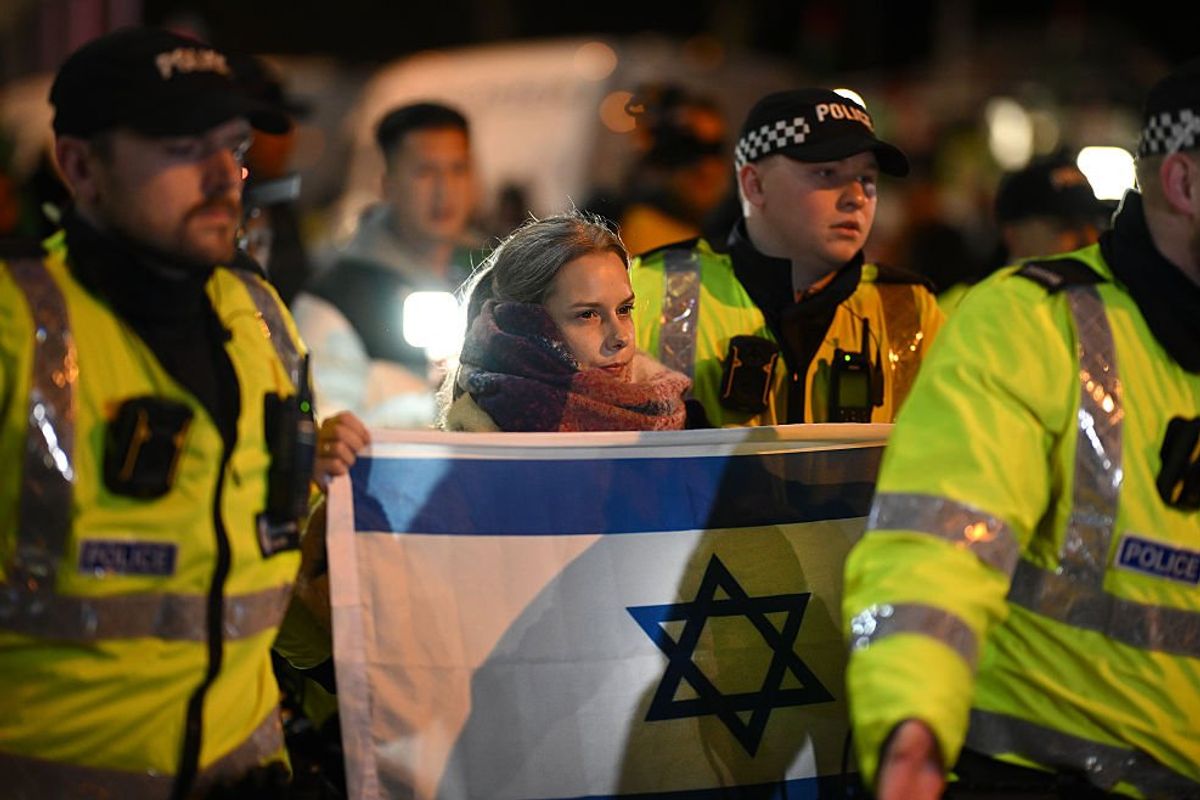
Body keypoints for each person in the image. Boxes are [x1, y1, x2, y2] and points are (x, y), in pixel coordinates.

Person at [0, 27, 367, 798]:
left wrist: (329, 532)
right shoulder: (15, 329)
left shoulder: (259, 316)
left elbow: (270, 595)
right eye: (178, 145)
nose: (222, 174)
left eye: (231, 144)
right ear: (79, 166)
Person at [843, 60, 1200, 799]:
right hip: (1045, 776)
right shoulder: (1027, 320)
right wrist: (912, 718)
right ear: (1185, 185)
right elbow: (937, 542)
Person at [630, 88, 944, 427]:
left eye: (866, 178)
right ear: (754, 186)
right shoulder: (646, 293)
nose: (856, 197)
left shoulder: (908, 310)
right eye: (826, 173)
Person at [292, 102, 480, 429]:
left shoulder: (493, 279)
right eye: (425, 171)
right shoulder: (337, 297)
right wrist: (438, 404)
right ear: (387, 184)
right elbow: (328, 427)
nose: (444, 190)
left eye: (457, 169)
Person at [440, 211, 691, 432]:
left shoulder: (672, 410)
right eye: (588, 315)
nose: (621, 338)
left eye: (624, 309)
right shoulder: (478, 444)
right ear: (524, 326)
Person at [938, 154, 1113, 314]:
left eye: (1095, 225)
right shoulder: (956, 311)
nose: (1089, 240)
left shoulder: (1114, 304)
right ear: (1013, 236)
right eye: (1067, 226)